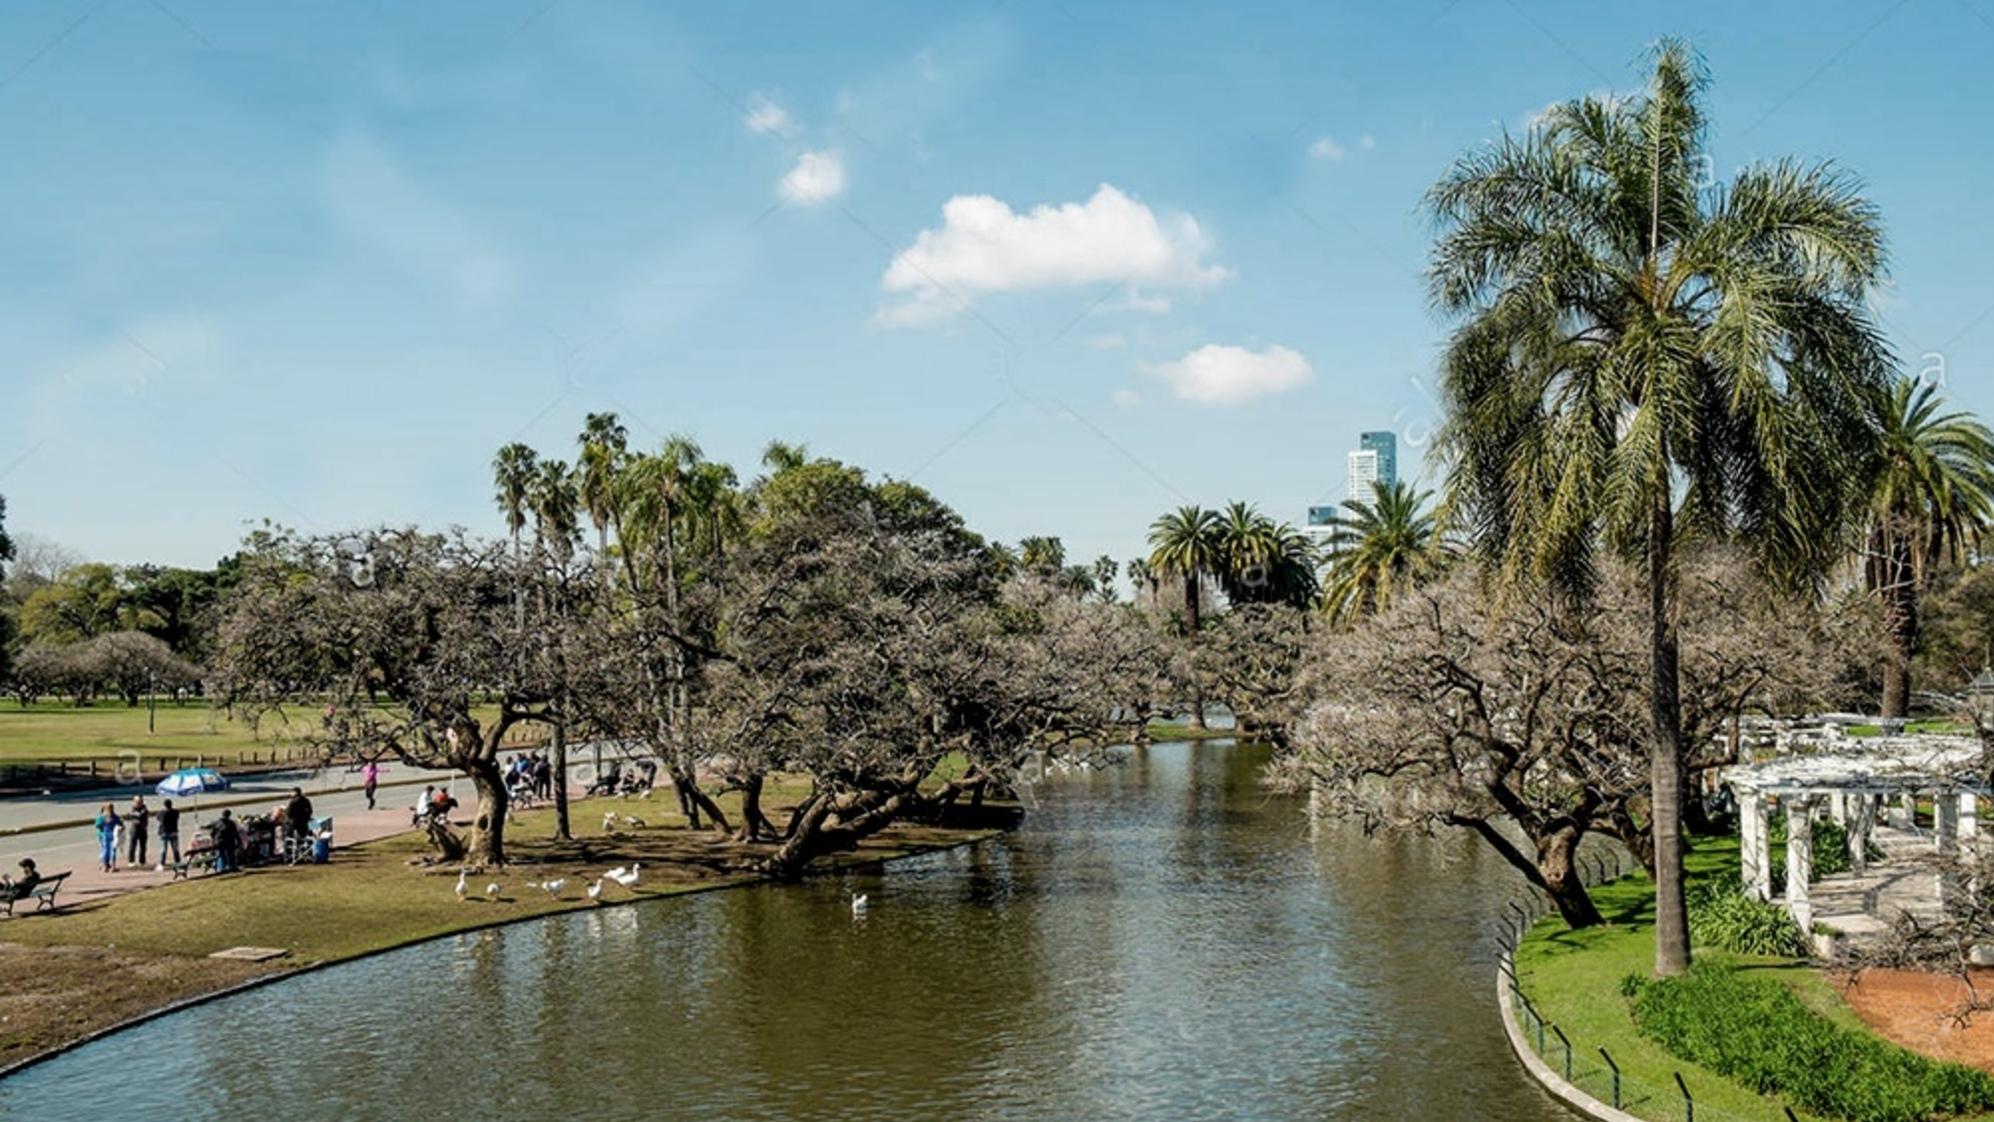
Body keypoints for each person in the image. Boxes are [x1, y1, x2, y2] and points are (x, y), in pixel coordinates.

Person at [93, 803, 121, 873]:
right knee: (113, 850)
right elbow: (120, 824)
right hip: (113, 835)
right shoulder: (115, 817)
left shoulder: (102, 817)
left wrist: (101, 831)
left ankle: (105, 866)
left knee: (105, 850)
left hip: (105, 835)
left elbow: (97, 825)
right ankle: (113, 866)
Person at [284, 787, 313, 854]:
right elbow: (310, 811)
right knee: (304, 835)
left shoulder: (293, 802)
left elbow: (289, 813)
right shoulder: (306, 800)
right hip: (304, 822)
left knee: (287, 834)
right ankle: (304, 850)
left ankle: (288, 852)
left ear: (295, 792)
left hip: (294, 823)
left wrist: (285, 811)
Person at [126, 795, 151, 869]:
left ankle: (142, 861)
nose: (139, 803)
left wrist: (134, 815)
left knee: (143, 846)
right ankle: (131, 861)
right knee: (132, 846)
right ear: (134, 801)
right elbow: (130, 815)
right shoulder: (133, 808)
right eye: (137, 801)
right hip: (134, 830)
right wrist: (134, 815)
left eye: (140, 801)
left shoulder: (144, 808)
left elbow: (141, 815)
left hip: (143, 829)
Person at [157, 798, 182, 870]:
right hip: (173, 832)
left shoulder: (162, 813)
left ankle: (162, 863)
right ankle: (178, 861)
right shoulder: (176, 812)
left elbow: (158, 818)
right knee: (175, 848)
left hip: (164, 832)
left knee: (163, 849)